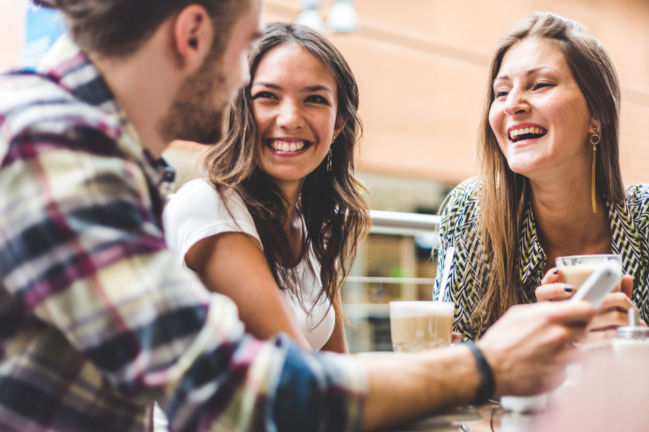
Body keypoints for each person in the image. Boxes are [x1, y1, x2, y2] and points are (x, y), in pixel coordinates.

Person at [0, 2, 596, 432]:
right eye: (247, 58)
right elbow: (240, 395)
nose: (242, 83)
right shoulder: (52, 147)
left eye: (314, 99)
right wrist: (485, 365)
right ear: (192, 34)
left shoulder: (94, 151)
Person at [433, 11, 649, 395]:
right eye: (501, 92)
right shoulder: (469, 212)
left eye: (539, 84)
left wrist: (640, 355)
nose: (512, 104)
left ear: (598, 113)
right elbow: (446, 361)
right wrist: (522, 349)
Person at [164, 23, 368, 354]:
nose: (290, 118)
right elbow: (305, 377)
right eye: (267, 96)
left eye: (314, 99)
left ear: (338, 125)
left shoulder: (312, 227)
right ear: (238, 109)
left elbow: (336, 368)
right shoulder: (210, 206)